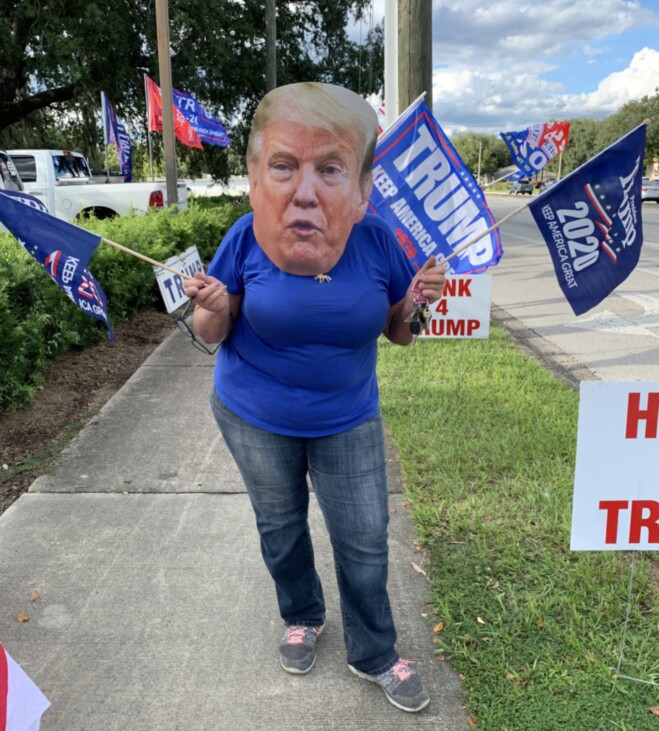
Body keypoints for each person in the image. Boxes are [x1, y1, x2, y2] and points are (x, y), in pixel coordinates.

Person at [182, 82, 446, 713]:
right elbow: (209, 336)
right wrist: (215, 308)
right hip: (254, 414)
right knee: (280, 525)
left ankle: (374, 652)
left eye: (330, 169)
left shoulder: (379, 242)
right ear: (257, 179)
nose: (303, 191)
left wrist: (419, 306)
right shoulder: (246, 238)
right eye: (283, 166)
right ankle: (301, 614)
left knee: (363, 536)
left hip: (346, 417)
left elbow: (399, 334)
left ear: (361, 190)